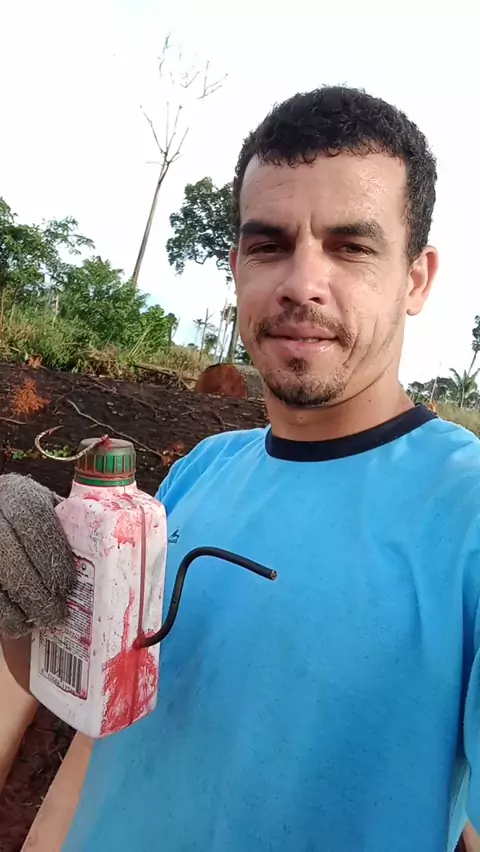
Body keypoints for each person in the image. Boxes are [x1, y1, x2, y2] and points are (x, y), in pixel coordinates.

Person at [1, 86, 479, 852]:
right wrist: (22, 604)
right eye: (269, 245)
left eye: (351, 247)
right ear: (236, 267)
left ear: (417, 279)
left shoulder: (464, 511)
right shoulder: (200, 473)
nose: (301, 283)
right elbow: (101, 716)